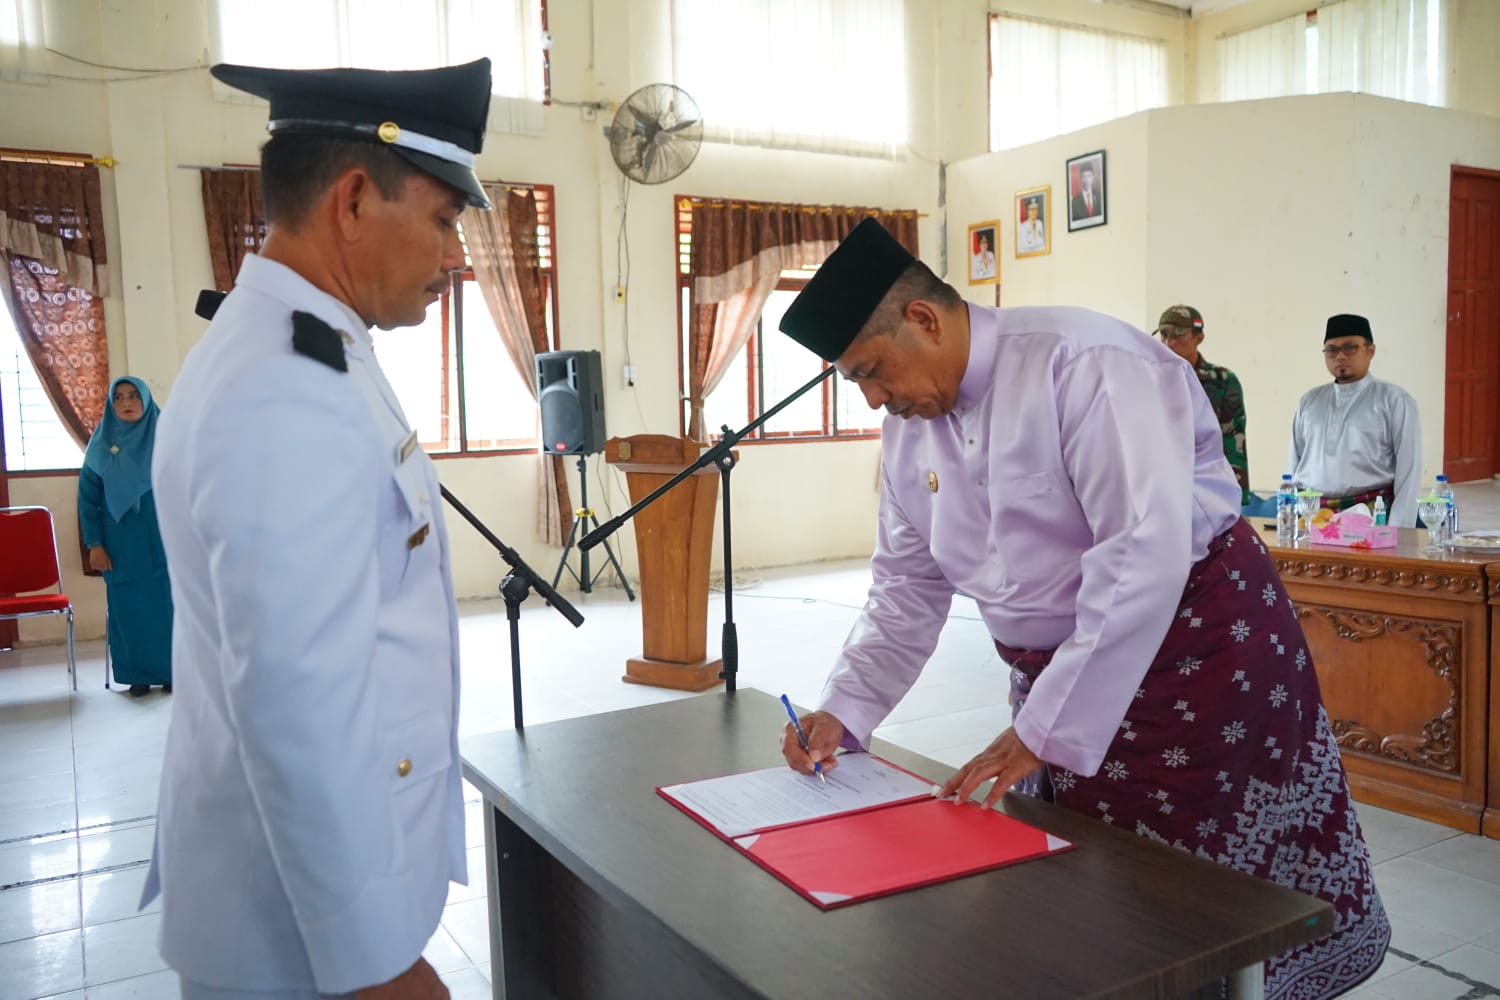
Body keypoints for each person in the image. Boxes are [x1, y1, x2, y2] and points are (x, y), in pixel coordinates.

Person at [775, 219, 1389, 999]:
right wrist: (845, 710)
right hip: (1062, 678)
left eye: (872, 371)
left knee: (1209, 898)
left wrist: (1041, 729)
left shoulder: (1084, 363)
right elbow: (905, 588)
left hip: (1197, 652)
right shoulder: (908, 439)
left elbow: (1142, 553)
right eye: (853, 383)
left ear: (924, 320)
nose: (872, 400)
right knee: (1091, 888)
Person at [145, 58, 494, 1000]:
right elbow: (297, 704)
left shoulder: (303, 346)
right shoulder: (286, 391)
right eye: (443, 219)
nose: (456, 256)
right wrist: (376, 963)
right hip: (293, 939)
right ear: (351, 200)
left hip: (284, 904)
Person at [78, 375, 173, 697]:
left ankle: (174, 671)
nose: (127, 403)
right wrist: (94, 545)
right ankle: (137, 675)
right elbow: (88, 501)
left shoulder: (168, 439)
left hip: (166, 540)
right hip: (120, 545)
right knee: (128, 610)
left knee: (170, 607)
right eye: (118, 397)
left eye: (134, 396)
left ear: (146, 400)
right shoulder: (101, 445)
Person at [1287, 313, 1421, 527]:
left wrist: (1399, 531)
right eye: (1331, 350)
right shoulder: (1310, 401)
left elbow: (1410, 471)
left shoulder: (1394, 400)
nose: (1340, 356)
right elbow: (1294, 466)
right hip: (1313, 514)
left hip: (1369, 513)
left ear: (1371, 351)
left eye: (1350, 347)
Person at [1153, 304, 1250, 504]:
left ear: (1199, 338)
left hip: (1208, 486)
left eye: (1179, 334)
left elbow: (1233, 437)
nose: (1169, 342)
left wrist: (1235, 494)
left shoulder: (1222, 380)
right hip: (1160, 485)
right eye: (1164, 334)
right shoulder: (1150, 379)